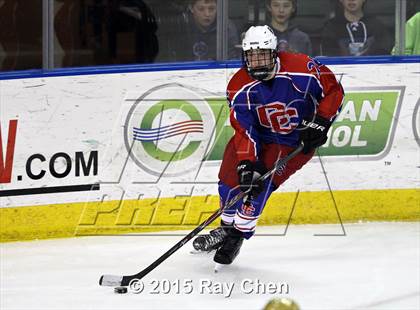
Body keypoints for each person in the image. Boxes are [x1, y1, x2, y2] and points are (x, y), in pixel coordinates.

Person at [193, 25, 344, 265]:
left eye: (262, 54)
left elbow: (333, 91)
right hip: (258, 137)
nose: (256, 61)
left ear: (275, 53)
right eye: (251, 56)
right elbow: (244, 128)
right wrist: (246, 163)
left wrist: (321, 122)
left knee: (258, 189)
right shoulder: (238, 85)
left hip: (292, 141)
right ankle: (226, 227)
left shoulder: (302, 68)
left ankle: (237, 236)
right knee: (229, 182)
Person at [166, 0, 239, 61]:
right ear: (191, 8)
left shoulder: (226, 28)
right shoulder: (181, 26)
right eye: (201, 9)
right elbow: (175, 59)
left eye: (211, 9)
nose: (207, 14)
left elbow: (232, 60)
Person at [321, 0, 391, 56]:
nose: (351, 0)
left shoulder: (376, 25)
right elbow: (329, 56)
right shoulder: (331, 27)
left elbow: (383, 51)